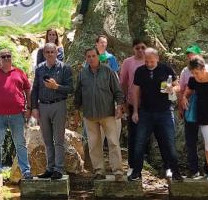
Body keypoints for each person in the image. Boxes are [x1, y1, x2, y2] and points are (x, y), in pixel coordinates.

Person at [128, 48, 182, 182]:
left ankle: (175, 172)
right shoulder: (140, 71)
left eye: (152, 61)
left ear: (157, 59)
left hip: (165, 112)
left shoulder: (166, 70)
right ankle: (136, 172)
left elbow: (178, 86)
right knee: (139, 143)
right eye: (147, 61)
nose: (149, 64)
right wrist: (135, 111)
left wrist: (172, 89)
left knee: (169, 143)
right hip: (145, 112)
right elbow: (135, 91)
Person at [73, 48, 125, 181]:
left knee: (113, 143)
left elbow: (118, 91)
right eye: (88, 56)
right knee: (94, 144)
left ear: (98, 56)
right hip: (89, 115)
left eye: (93, 56)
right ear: (86, 58)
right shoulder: (83, 74)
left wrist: (119, 106)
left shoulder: (108, 71)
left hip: (107, 113)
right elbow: (78, 94)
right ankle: (99, 171)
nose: (91, 58)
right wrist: (76, 111)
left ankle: (118, 171)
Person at [0, 48, 33, 180]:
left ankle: (26, 171)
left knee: (20, 143)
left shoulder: (20, 73)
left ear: (11, 58)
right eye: (3, 56)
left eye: (8, 56)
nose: (6, 58)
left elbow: (28, 90)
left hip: (17, 114)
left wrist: (29, 107)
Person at [31, 43, 73, 180]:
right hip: (43, 106)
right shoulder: (39, 69)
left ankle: (59, 169)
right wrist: (34, 108)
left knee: (58, 140)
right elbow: (35, 89)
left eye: (52, 52)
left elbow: (70, 89)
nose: (50, 54)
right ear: (44, 54)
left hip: (58, 105)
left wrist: (56, 86)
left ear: (56, 53)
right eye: (47, 52)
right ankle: (50, 168)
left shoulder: (65, 68)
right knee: (47, 140)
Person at [177, 44, 208, 179]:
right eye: (188, 54)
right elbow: (182, 90)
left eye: (193, 54)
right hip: (190, 108)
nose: (190, 56)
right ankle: (194, 170)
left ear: (200, 55)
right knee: (190, 140)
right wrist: (180, 108)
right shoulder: (185, 71)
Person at [119, 39, 147, 175]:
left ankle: (140, 166)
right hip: (131, 103)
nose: (140, 50)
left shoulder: (151, 60)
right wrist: (124, 103)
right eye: (137, 48)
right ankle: (132, 166)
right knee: (134, 136)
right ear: (133, 49)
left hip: (149, 105)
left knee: (145, 137)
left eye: (143, 47)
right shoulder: (128, 62)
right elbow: (123, 83)